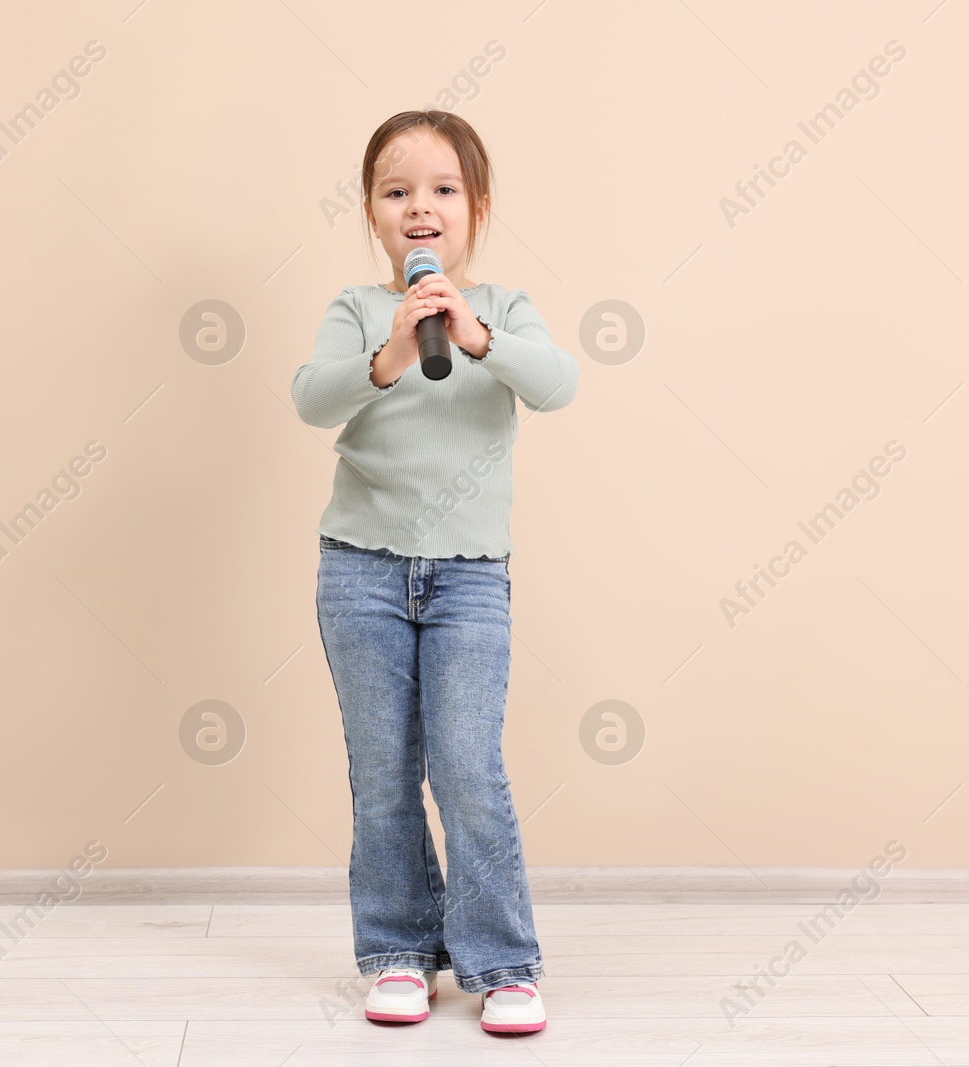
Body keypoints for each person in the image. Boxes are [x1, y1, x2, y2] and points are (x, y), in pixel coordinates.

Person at [290, 109, 579, 1034]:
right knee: (382, 771)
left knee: (467, 765)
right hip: (361, 574)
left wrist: (475, 333)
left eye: (443, 189)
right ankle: (400, 952)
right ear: (373, 213)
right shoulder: (361, 310)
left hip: (466, 581)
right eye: (397, 190)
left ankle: (501, 963)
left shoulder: (500, 310)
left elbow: (557, 383)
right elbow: (310, 397)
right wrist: (390, 356)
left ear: (477, 209)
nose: (421, 207)